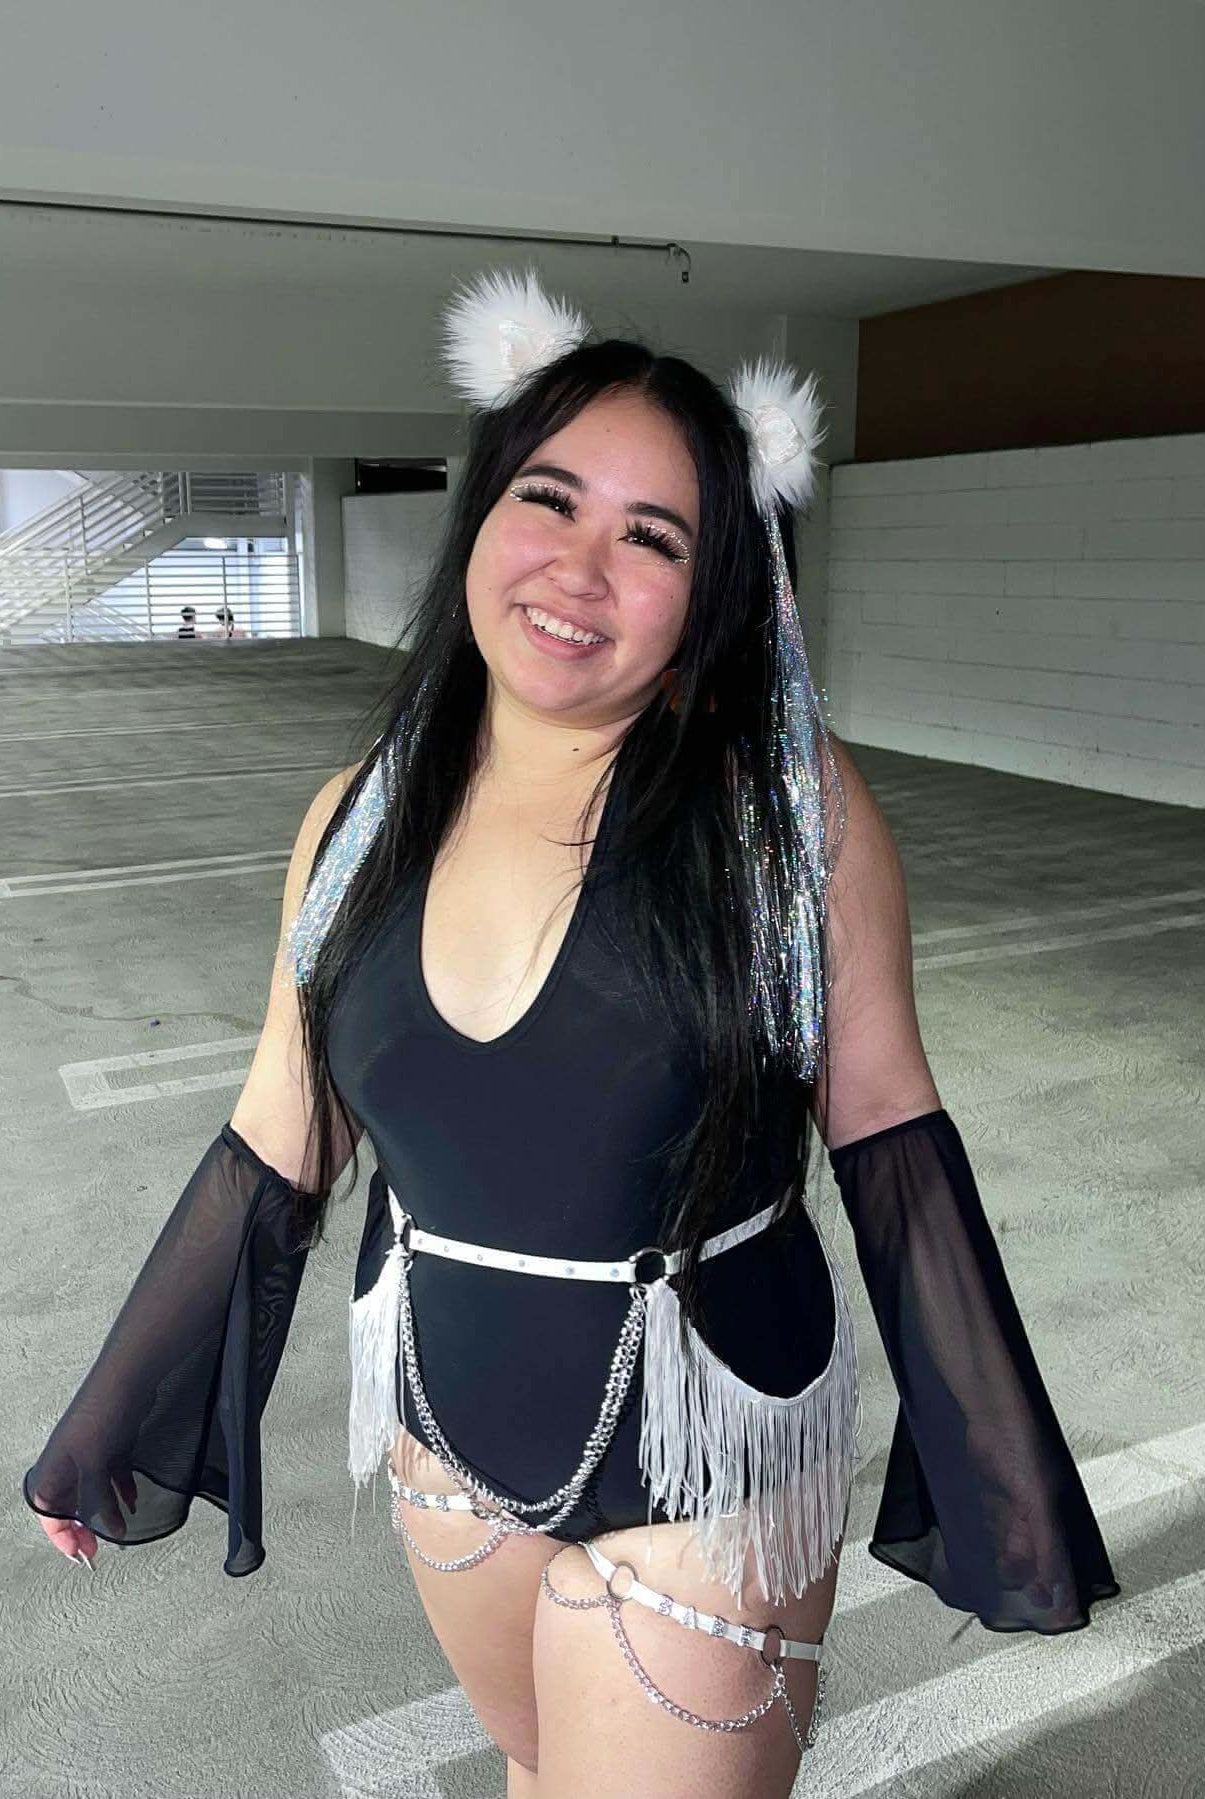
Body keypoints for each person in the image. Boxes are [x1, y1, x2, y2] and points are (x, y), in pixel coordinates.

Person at [24, 269, 1120, 1797]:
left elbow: (886, 1135)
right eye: (549, 499)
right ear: (482, 512)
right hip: (445, 1431)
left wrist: (1003, 1477)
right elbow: (281, 1125)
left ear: (716, 590)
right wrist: (117, 1410)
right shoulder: (352, 823)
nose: (577, 568)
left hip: (706, 1437)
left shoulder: (787, 821)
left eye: (650, 536)